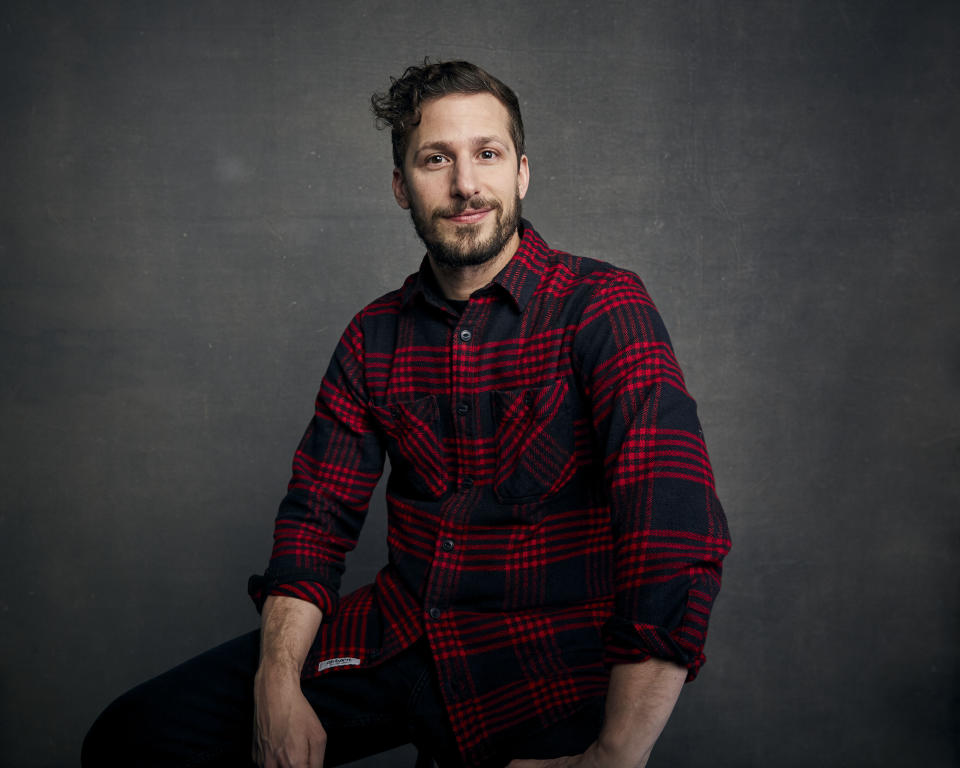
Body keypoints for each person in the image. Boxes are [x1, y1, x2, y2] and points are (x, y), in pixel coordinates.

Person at [83, 59, 731, 768]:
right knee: (133, 737)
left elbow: (672, 525)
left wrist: (617, 754)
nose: (464, 184)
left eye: (486, 154)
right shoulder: (373, 336)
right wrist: (277, 682)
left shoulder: (601, 308)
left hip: (542, 668)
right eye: (435, 159)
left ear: (520, 172)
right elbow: (315, 522)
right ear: (401, 187)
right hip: (403, 636)